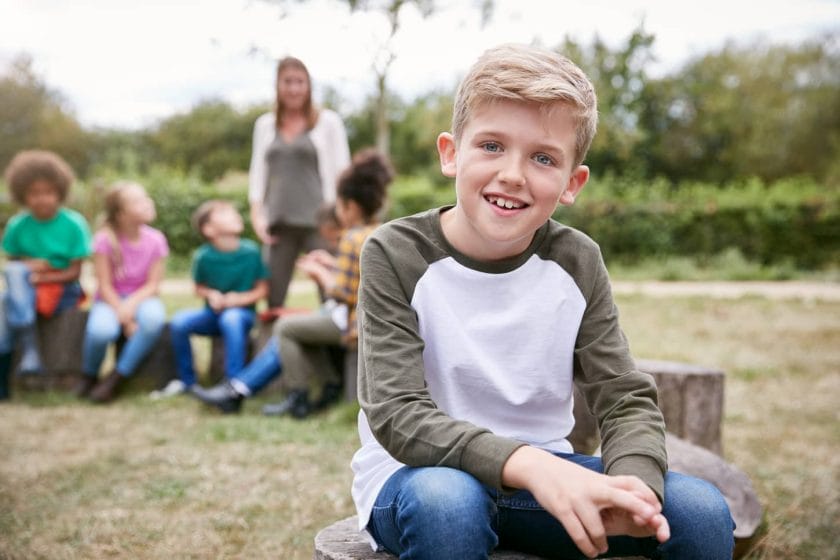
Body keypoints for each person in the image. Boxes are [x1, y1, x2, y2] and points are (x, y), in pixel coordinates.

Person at [350, 44, 735, 560]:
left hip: (547, 482)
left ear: (572, 182)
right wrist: (533, 464)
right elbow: (398, 414)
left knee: (700, 512)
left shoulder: (576, 261)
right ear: (450, 153)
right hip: (419, 478)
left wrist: (634, 484)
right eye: (491, 145)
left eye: (542, 157)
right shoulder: (395, 253)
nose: (513, 173)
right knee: (448, 505)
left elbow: (624, 397)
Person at [190, 149, 394, 415]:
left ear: (350, 207)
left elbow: (344, 293)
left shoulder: (351, 237)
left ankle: (297, 396)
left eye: (340, 206)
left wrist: (320, 275)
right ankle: (245, 389)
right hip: (369, 318)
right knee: (307, 325)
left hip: (355, 323)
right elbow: (364, 274)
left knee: (287, 327)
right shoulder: (381, 232)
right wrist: (331, 264)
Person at [248, 56, 351, 308]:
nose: (294, 88)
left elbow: (343, 171)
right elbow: (257, 173)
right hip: (279, 223)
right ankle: (272, 344)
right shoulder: (265, 125)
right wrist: (257, 216)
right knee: (273, 295)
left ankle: (333, 346)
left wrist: (342, 217)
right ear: (277, 86)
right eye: (287, 82)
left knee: (332, 294)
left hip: (321, 222)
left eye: (300, 82)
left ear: (308, 86)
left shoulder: (328, 122)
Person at [0, 150, 92, 399]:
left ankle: (16, 368)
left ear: (59, 192)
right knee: (10, 288)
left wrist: (41, 277)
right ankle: (27, 356)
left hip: (61, 290)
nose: (42, 199)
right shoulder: (18, 225)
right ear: (22, 194)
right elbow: (14, 263)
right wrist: (30, 266)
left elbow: (74, 272)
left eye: (48, 192)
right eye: (34, 193)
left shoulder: (74, 224)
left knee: (7, 305)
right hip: (26, 290)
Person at [160, 200, 269, 397]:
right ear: (208, 229)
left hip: (242, 315)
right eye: (225, 212)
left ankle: (233, 384)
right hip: (213, 315)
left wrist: (239, 299)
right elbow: (198, 288)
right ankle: (188, 383)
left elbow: (262, 290)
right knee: (179, 323)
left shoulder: (251, 252)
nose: (234, 214)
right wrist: (211, 295)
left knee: (232, 318)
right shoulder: (203, 256)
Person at [74, 182, 168, 403]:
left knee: (152, 320)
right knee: (101, 332)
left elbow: (153, 285)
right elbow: (104, 286)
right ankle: (89, 375)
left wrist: (131, 305)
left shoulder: (156, 240)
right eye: (137, 201)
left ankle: (116, 378)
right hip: (109, 299)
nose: (147, 203)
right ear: (121, 214)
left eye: (146, 197)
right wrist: (125, 318)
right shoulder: (104, 240)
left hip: (143, 297)